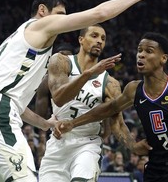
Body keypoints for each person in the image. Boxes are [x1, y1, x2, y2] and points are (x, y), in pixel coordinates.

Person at [0, 0, 162, 182]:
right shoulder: (39, 26)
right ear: (43, 10)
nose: (62, 19)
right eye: (59, 14)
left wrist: (45, 124)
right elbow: (99, 13)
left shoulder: (18, 42)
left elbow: (15, 101)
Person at [54, 32, 168, 181]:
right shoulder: (134, 89)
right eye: (139, 50)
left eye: (149, 51)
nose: (141, 54)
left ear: (163, 59)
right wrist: (73, 123)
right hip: (156, 165)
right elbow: (108, 110)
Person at [38, 24, 150, 181]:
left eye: (103, 39)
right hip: (57, 144)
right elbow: (59, 97)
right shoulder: (61, 62)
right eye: (94, 36)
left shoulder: (110, 83)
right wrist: (88, 73)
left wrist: (133, 146)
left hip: (87, 143)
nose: (99, 41)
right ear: (81, 39)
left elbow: (116, 123)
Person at [35, 42, 74, 119]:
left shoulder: (84, 74)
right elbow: (41, 114)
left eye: (67, 56)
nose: (63, 59)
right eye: (60, 55)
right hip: (58, 123)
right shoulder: (47, 80)